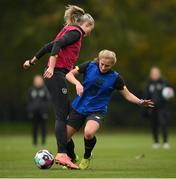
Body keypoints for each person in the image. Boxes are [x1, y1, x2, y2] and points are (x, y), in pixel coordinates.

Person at [23, 5, 95, 169]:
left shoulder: (68, 29)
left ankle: (70, 154)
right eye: (92, 29)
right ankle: (63, 154)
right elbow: (58, 45)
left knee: (68, 112)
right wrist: (51, 67)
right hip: (55, 74)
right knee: (62, 116)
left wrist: (32, 61)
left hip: (56, 75)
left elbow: (49, 45)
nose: (90, 33)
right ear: (88, 25)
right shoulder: (76, 32)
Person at [65, 49, 154, 170]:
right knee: (64, 137)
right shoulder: (89, 65)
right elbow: (69, 74)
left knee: (89, 133)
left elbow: (127, 95)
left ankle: (87, 156)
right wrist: (77, 84)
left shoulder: (116, 78)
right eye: (102, 64)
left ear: (112, 65)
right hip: (79, 106)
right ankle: (72, 158)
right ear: (99, 60)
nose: (103, 67)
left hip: (97, 110)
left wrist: (140, 101)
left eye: (107, 66)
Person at [143, 66, 173, 149]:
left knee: (163, 123)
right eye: (153, 73)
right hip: (152, 107)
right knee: (153, 124)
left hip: (162, 107)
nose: (155, 75)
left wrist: (169, 95)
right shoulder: (148, 84)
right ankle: (156, 142)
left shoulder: (164, 82)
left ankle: (165, 142)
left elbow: (170, 93)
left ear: (159, 74)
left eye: (156, 73)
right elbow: (146, 95)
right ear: (151, 74)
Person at [27, 75, 50, 146]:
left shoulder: (45, 90)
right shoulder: (31, 90)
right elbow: (29, 101)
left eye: (39, 80)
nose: (38, 82)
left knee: (43, 127)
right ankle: (34, 142)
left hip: (43, 112)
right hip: (34, 112)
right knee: (34, 127)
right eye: (37, 80)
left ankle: (43, 142)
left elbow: (48, 101)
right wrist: (30, 111)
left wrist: (46, 111)